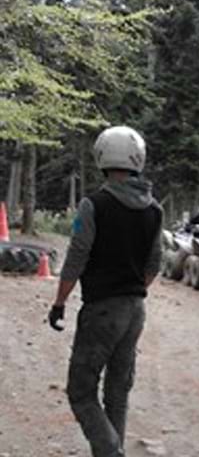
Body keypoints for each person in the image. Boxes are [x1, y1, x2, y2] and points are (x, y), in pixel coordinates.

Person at [47, 126, 163, 457]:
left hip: (101, 309)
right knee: (117, 390)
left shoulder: (93, 205)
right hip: (135, 309)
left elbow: (76, 259)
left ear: (102, 157)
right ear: (137, 159)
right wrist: (133, 292)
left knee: (81, 392)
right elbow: (154, 264)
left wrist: (59, 303)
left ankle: (111, 452)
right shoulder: (155, 210)